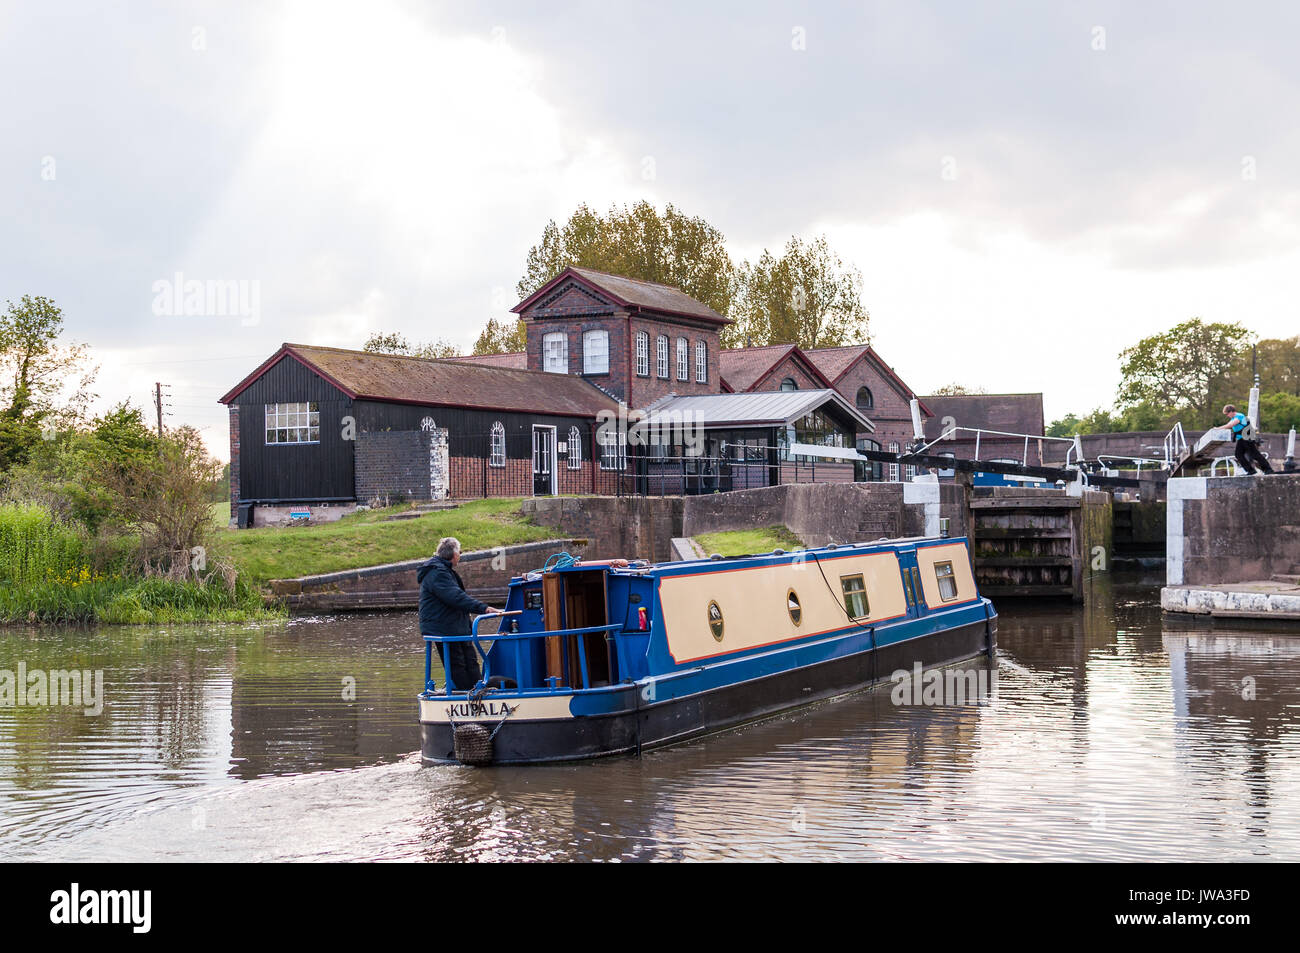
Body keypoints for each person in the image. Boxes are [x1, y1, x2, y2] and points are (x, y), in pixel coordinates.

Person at [418, 536, 502, 693]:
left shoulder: (443, 571)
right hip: (444, 628)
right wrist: (483, 608)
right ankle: (466, 694)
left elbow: (455, 597)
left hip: (455, 626)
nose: (461, 555)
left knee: (470, 660)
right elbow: (455, 597)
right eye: (460, 552)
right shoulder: (437, 573)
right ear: (453, 554)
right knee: (457, 662)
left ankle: (477, 690)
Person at [1222, 404, 1274, 475]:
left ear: (1231, 411)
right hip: (1242, 439)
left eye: (1227, 414)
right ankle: (1250, 470)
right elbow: (1228, 424)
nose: (1227, 416)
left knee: (1255, 454)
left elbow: (1230, 425)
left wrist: (1217, 428)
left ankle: (1268, 469)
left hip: (1247, 438)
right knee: (1238, 454)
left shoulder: (1239, 416)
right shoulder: (1233, 418)